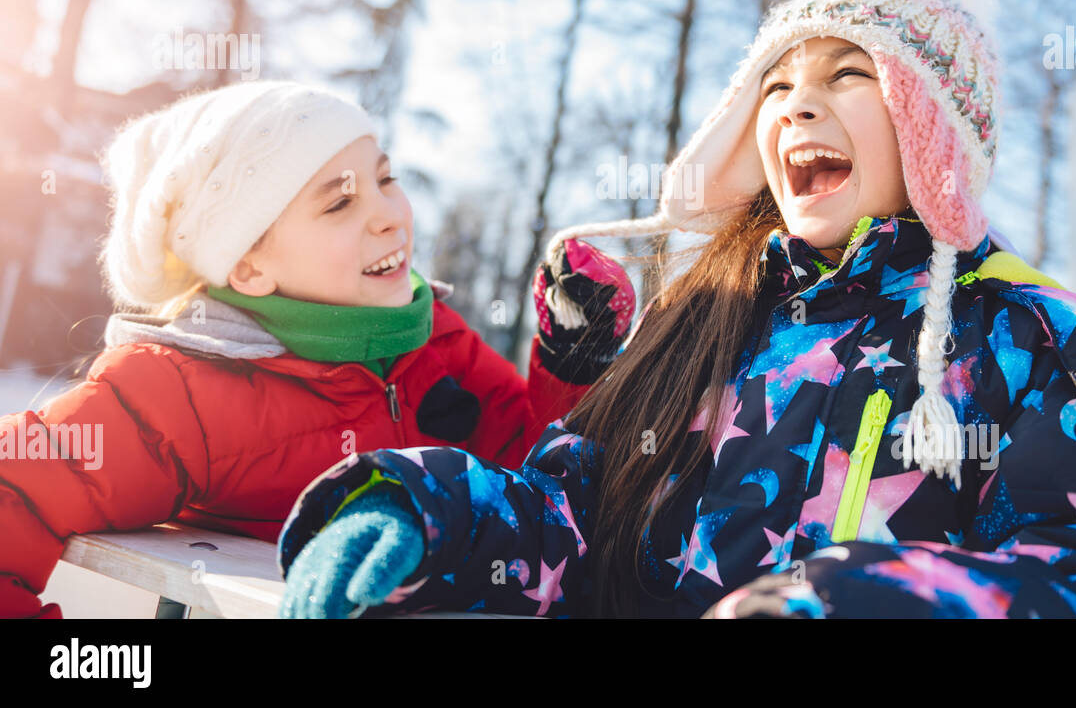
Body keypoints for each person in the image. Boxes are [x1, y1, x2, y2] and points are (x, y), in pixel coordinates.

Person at [277, 0, 1076, 619]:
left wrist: (847, 600)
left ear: (932, 129)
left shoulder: (1034, 344)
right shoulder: (702, 318)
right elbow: (571, 515)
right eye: (776, 84)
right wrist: (429, 512)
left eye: (849, 73)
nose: (798, 104)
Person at [0, 80, 630, 618]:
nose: (390, 215)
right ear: (248, 267)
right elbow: (15, 487)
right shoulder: (180, 392)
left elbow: (541, 484)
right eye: (340, 202)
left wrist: (572, 361)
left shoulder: (433, 337)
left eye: (385, 178)